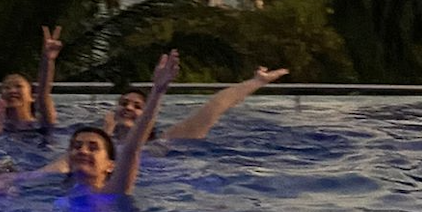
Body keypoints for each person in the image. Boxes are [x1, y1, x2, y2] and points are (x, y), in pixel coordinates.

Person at [55, 50, 181, 195]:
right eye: (77, 146)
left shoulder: (112, 192)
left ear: (110, 165)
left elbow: (131, 150)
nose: (83, 151)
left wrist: (157, 91)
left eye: (93, 148)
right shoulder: (57, 194)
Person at [103, 66, 289, 144]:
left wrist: (256, 81)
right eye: (124, 103)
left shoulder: (162, 143)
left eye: (137, 106)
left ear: (149, 118)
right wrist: (105, 134)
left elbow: (214, 108)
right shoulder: (95, 145)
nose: (128, 108)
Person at [0, 26, 62, 132]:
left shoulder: (40, 123)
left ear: (31, 96)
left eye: (18, 86)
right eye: (6, 88)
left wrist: (48, 59)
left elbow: (43, 96)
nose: (12, 91)